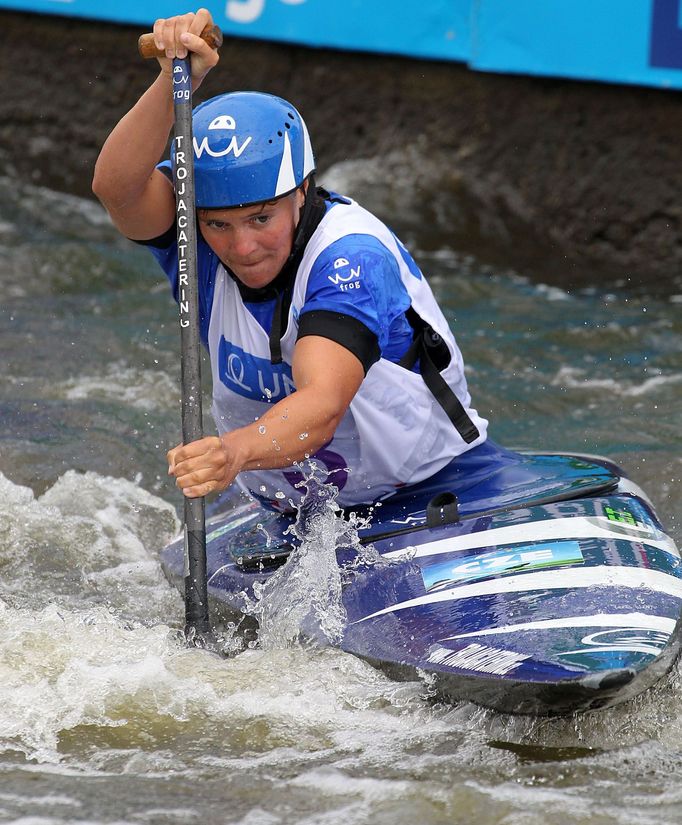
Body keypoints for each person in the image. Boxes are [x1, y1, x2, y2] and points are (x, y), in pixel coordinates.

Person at [92, 7, 488, 511]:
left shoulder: (351, 258)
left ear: (302, 191)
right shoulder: (194, 239)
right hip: (291, 510)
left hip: (434, 489)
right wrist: (177, 82)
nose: (242, 247)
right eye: (219, 225)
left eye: (261, 219)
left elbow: (321, 405)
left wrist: (231, 452)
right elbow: (117, 189)